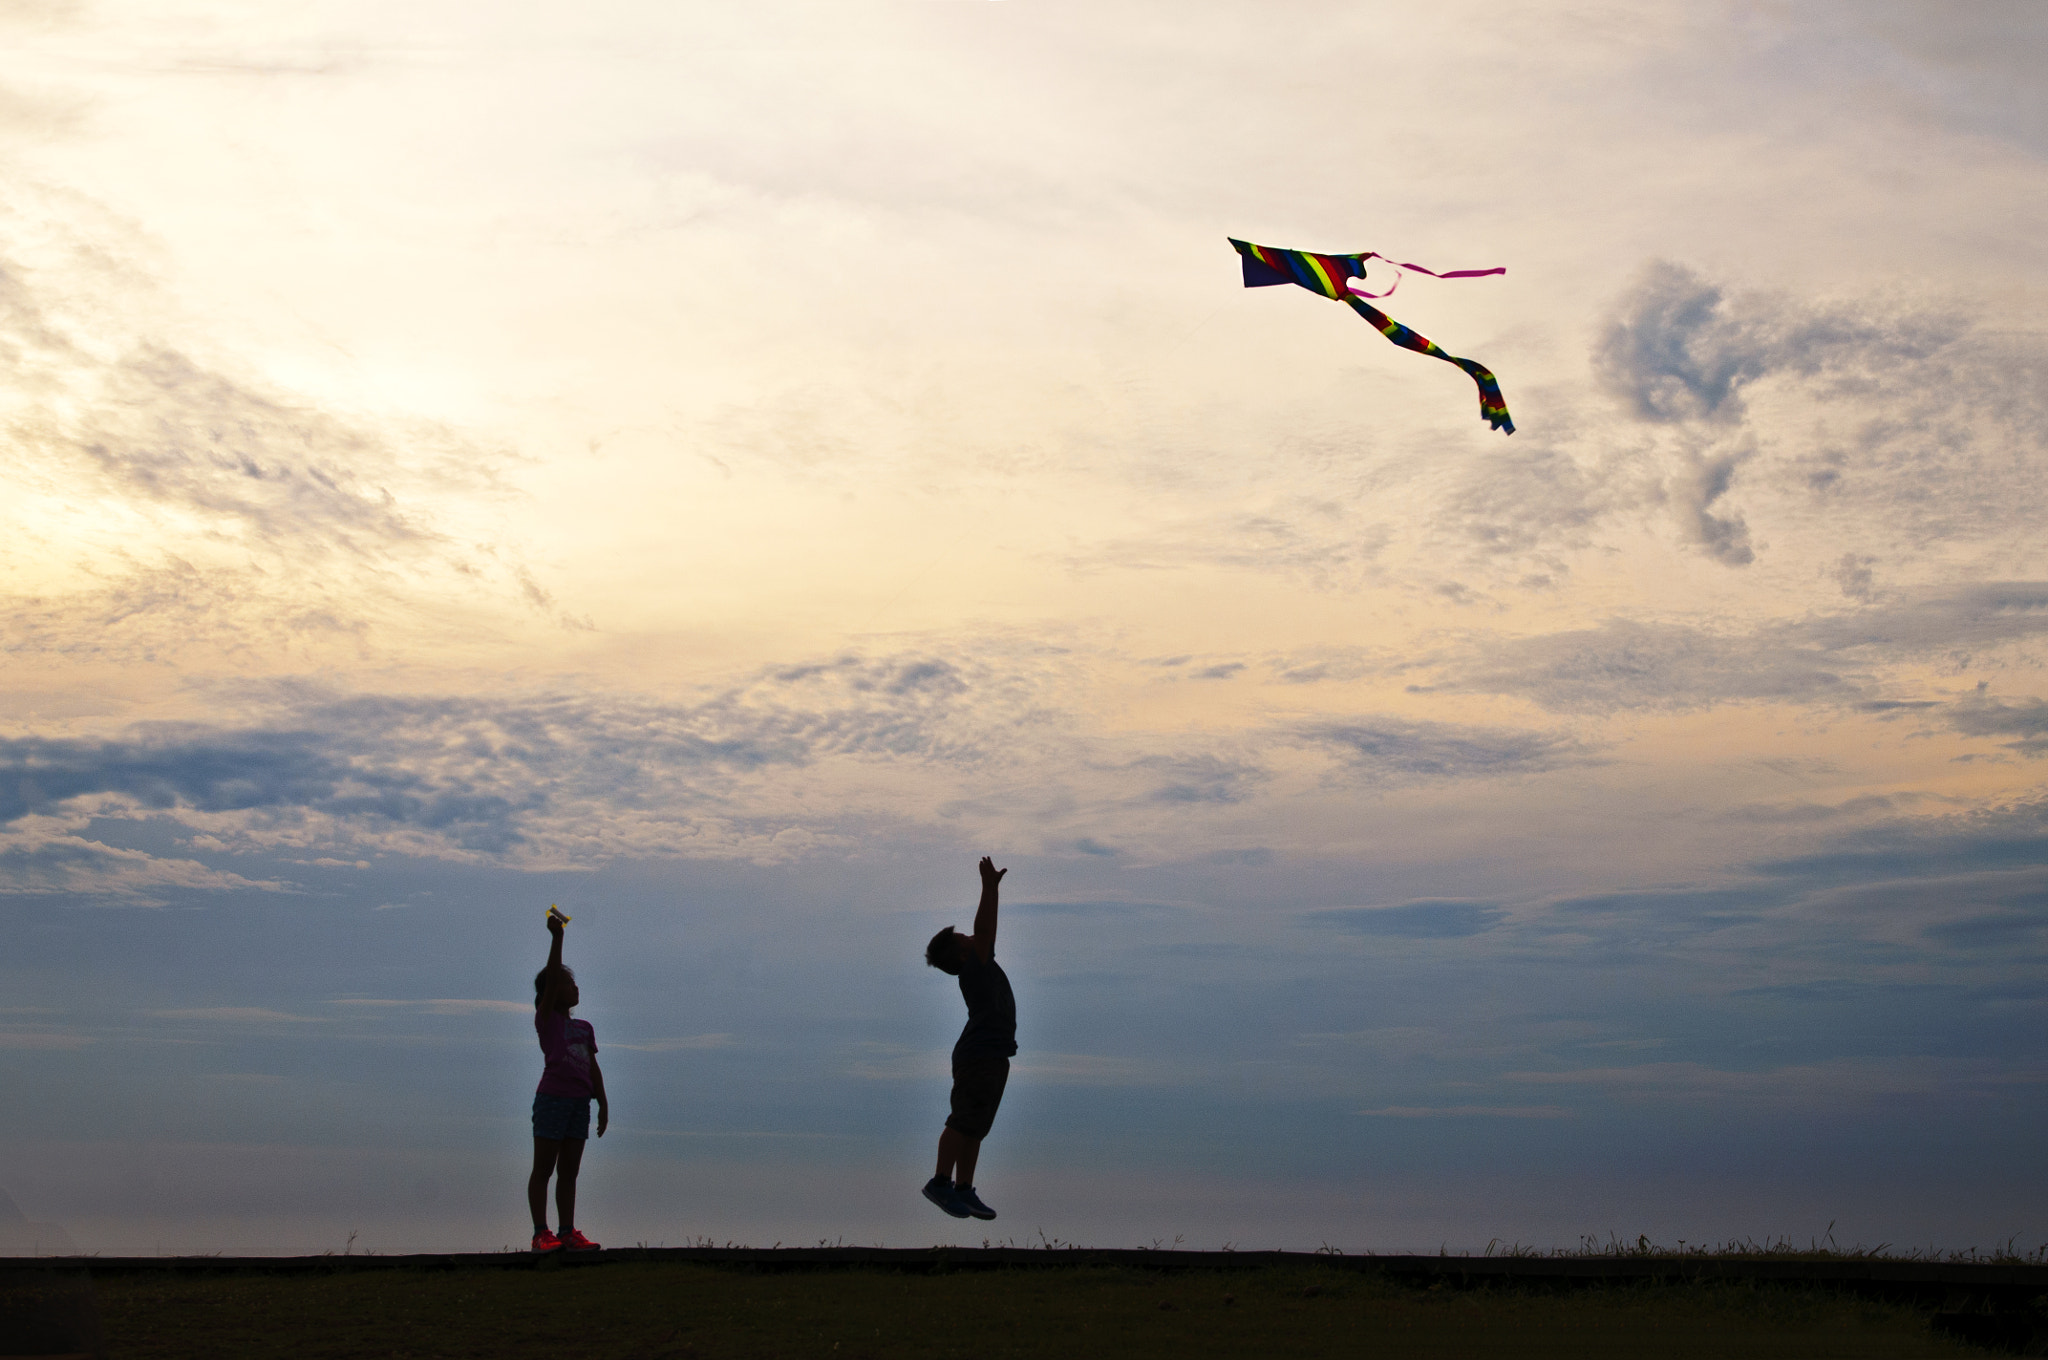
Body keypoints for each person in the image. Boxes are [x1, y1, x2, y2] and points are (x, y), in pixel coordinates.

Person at [921, 856, 1014, 1221]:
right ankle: (940, 1182)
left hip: (992, 1056)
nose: (972, 936)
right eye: (965, 938)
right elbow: (986, 927)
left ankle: (964, 1188)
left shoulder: (978, 965)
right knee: (962, 1120)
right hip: (978, 1056)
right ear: (963, 953)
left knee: (976, 1125)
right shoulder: (975, 967)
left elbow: (983, 933)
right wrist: (989, 889)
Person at [529, 910, 608, 1253]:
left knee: (569, 1173)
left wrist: (602, 1102)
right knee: (544, 1169)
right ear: (552, 992)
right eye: (566, 982)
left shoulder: (584, 1028)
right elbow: (549, 984)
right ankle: (540, 1233)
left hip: (579, 1104)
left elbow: (592, 1067)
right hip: (553, 1100)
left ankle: (566, 1232)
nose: (574, 987)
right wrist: (557, 938)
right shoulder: (547, 1020)